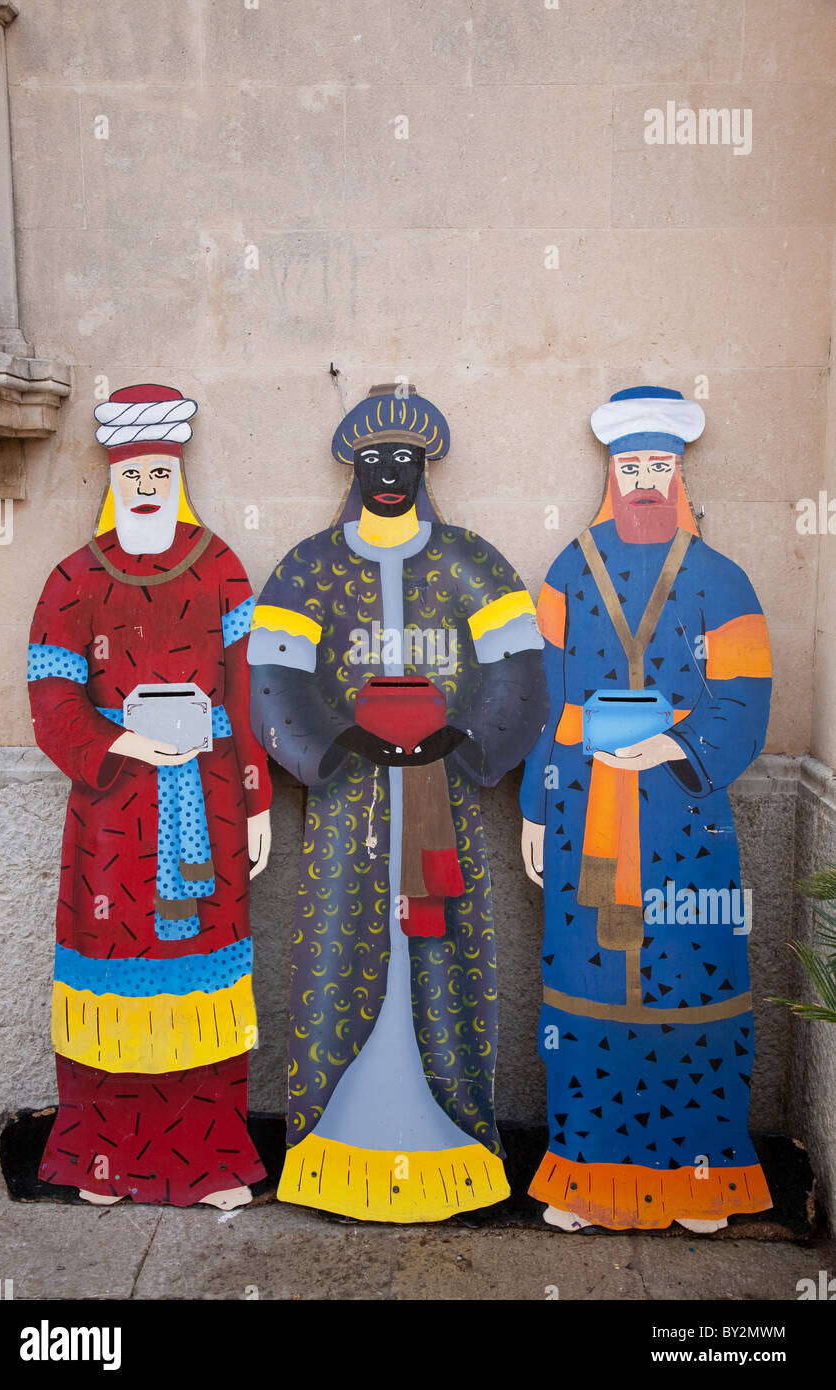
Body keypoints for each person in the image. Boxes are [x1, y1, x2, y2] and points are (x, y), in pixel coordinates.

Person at [249, 384, 547, 1222]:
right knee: (341, 948)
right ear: (354, 468)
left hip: (441, 802)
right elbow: (271, 680)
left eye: (404, 460)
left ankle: (450, 1145)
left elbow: (522, 672)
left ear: (423, 467)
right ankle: (333, 1151)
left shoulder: (472, 563)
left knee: (444, 955)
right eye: (375, 460)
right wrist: (336, 744)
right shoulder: (309, 566)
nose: (390, 474)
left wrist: (465, 739)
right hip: (346, 810)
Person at [520, 386, 773, 1233]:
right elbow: (543, 698)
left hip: (684, 821)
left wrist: (672, 746)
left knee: (692, 984)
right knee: (587, 989)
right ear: (611, 472)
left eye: (657, 465)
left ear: (679, 473)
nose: (643, 480)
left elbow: (744, 698)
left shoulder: (723, 579)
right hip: (582, 813)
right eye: (630, 465)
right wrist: (531, 803)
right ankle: (589, 1176)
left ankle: (702, 1180)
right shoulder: (566, 568)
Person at [28, 383, 272, 1208]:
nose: (144, 487)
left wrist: (258, 793)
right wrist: (118, 741)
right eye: (131, 473)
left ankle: (207, 1163)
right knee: (114, 983)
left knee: (198, 980)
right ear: (112, 477)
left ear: (178, 473)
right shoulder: (71, 579)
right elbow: (51, 701)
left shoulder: (222, 567)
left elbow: (250, 688)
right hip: (113, 815)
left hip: (207, 802)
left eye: (159, 472)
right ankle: (105, 1156)